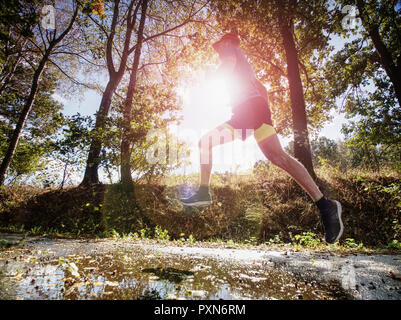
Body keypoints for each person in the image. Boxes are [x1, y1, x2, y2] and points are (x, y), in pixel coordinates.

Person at [180, 33, 343, 244]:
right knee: (279, 157)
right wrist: (265, 115)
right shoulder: (245, 65)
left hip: (247, 111)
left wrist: (206, 88)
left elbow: (226, 68)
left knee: (205, 142)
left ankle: (203, 192)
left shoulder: (230, 50)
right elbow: (263, 89)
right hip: (257, 111)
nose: (218, 53)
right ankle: (325, 205)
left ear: (227, 43)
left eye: (218, 48)